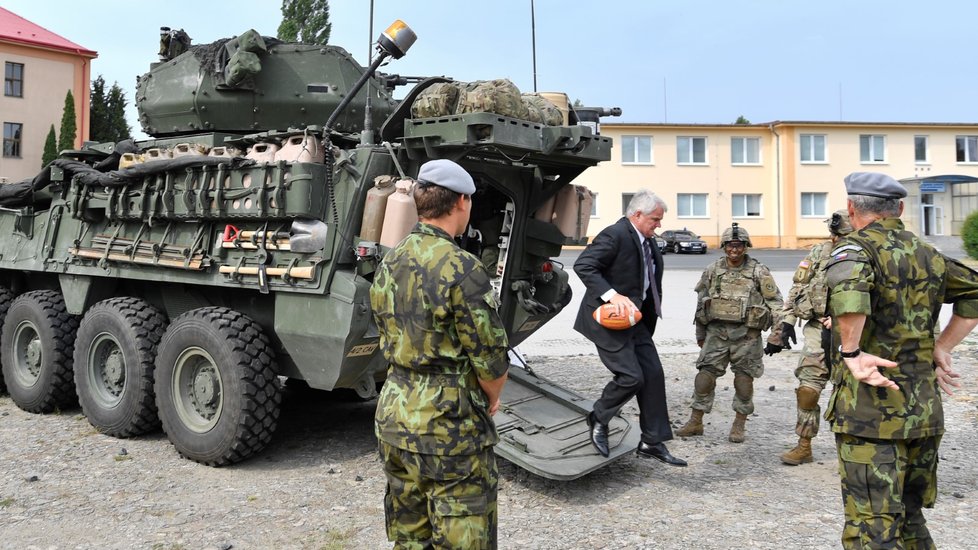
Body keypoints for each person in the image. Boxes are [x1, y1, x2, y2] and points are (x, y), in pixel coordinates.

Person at [824, 171, 978, 549]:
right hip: (923, 411)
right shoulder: (928, 253)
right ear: (900, 209)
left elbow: (850, 295)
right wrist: (943, 346)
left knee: (871, 528)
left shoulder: (855, 249)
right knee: (909, 518)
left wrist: (852, 352)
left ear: (851, 207)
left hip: (870, 414)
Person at [370, 159, 510, 549]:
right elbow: (491, 358)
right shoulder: (464, 269)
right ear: (461, 202)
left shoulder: (389, 262)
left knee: (409, 536)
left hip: (395, 418)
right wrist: (492, 396)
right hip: (449, 427)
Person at [574, 189, 686, 466]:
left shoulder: (647, 240)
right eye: (655, 219)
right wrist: (612, 294)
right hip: (609, 320)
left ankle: (651, 441)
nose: (659, 225)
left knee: (654, 375)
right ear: (637, 215)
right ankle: (598, 417)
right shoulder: (615, 234)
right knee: (631, 377)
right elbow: (584, 264)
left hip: (636, 322)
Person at [676, 223, 785, 443]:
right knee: (704, 377)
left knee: (744, 381)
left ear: (746, 246)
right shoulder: (713, 270)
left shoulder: (758, 271)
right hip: (717, 333)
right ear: (724, 246)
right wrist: (700, 332)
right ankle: (695, 421)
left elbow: (776, 303)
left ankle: (739, 424)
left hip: (747, 336)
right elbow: (701, 303)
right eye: (730, 246)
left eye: (739, 246)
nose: (734, 250)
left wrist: (778, 333)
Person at [779, 210, 854, 465]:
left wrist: (843, 317)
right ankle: (804, 445)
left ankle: (852, 450)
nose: (835, 238)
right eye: (833, 233)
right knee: (807, 390)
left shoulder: (865, 255)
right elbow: (799, 287)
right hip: (815, 329)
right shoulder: (818, 252)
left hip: (853, 332)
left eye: (841, 234)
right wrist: (787, 322)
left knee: (850, 394)